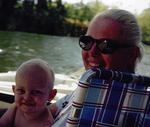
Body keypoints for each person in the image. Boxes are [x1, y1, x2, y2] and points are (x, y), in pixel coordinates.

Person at [51, 9, 143, 126]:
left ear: (132, 54)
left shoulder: (110, 106)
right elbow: (52, 109)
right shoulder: (93, 85)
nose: (92, 51)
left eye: (105, 45)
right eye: (87, 41)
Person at [0, 59, 57, 127]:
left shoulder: (46, 123)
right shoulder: (15, 108)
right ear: (14, 90)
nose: (27, 97)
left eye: (35, 92)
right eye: (21, 90)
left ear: (51, 95)